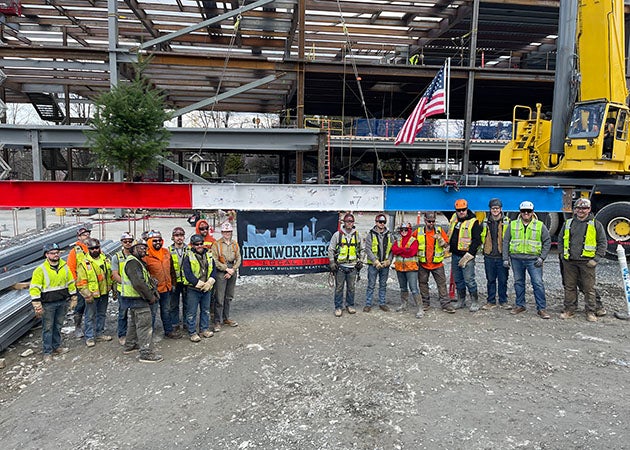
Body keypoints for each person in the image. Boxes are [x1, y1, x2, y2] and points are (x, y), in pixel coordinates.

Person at [559, 198, 607, 322]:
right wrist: (562, 255)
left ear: (589, 209)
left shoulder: (596, 224)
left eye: (584, 208)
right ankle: (569, 310)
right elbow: (560, 240)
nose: (581, 210)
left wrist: (596, 259)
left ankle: (590, 311)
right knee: (569, 287)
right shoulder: (568, 223)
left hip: (587, 263)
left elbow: (602, 243)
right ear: (575, 210)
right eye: (578, 208)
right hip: (569, 262)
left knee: (588, 288)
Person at [502, 201, 551, 319]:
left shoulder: (540, 225)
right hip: (516, 259)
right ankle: (520, 305)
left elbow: (547, 242)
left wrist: (542, 257)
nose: (526, 213)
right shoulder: (513, 224)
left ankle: (541, 308)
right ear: (520, 212)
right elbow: (506, 241)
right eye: (523, 211)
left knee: (538, 283)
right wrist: (505, 258)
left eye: (528, 211)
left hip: (534, 260)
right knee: (518, 282)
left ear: (532, 212)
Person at [29, 243, 77, 363]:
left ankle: (56, 347)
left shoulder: (64, 267)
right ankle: (47, 352)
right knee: (48, 328)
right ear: (46, 255)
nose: (56, 255)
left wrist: (74, 297)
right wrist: (36, 304)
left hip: (62, 302)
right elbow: (34, 288)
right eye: (52, 253)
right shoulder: (40, 270)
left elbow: (70, 282)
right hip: (48, 304)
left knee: (58, 325)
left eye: (57, 252)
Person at [120, 239, 163, 363]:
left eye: (145, 248)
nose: (143, 250)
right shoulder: (133, 263)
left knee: (134, 323)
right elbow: (138, 283)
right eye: (140, 248)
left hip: (133, 299)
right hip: (138, 299)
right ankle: (146, 353)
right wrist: (150, 297)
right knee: (145, 325)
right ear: (133, 250)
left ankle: (130, 345)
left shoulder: (136, 262)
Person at [414, 212, 455, 314]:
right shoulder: (418, 232)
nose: (431, 223)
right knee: (423, 284)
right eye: (429, 221)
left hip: (437, 264)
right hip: (423, 263)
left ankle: (445, 304)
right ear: (425, 220)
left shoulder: (439, 231)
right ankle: (425, 303)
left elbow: (446, 245)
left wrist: (442, 241)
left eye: (433, 221)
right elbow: (411, 243)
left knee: (441, 284)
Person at [76, 238, 113, 347]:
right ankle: (90, 336)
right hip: (92, 294)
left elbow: (110, 275)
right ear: (88, 249)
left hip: (104, 292)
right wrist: (87, 295)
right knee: (90, 315)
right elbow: (81, 282)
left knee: (101, 314)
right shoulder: (84, 263)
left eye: (97, 248)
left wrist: (112, 288)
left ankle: (99, 333)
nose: (95, 250)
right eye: (92, 248)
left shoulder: (105, 259)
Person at [144, 231, 181, 339]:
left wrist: (173, 283)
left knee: (166, 311)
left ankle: (168, 331)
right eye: (154, 241)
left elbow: (172, 270)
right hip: (154, 291)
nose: (158, 243)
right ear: (149, 242)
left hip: (166, 288)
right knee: (152, 313)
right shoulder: (146, 256)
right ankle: (148, 334)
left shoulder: (166, 252)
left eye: (159, 240)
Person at [447, 199, 482, 312]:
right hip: (455, 254)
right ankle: (461, 300)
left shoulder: (473, 222)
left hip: (467, 256)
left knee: (469, 280)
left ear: (467, 209)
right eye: (459, 210)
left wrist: (470, 254)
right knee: (458, 280)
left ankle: (474, 301)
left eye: (463, 210)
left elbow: (477, 240)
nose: (461, 212)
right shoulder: (454, 219)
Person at [328, 213, 363, 317]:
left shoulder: (357, 235)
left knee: (351, 288)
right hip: (340, 267)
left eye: (351, 221)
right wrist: (332, 262)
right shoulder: (337, 235)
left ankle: (350, 305)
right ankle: (338, 307)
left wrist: (361, 260)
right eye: (348, 221)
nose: (349, 223)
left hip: (353, 267)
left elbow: (362, 249)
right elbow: (331, 249)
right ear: (344, 222)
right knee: (339, 288)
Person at [183, 234, 216, 342]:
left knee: (205, 310)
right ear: (193, 245)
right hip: (194, 288)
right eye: (196, 244)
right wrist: (199, 283)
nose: (199, 246)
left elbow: (213, 269)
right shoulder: (188, 256)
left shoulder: (209, 254)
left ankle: (204, 329)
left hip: (207, 288)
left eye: (201, 243)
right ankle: (192, 332)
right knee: (191, 311)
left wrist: (210, 281)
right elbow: (187, 273)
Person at [480, 198, 511, 310]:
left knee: (503, 280)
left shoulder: (507, 222)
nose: (495, 210)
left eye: (497, 208)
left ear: (501, 209)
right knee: (490, 280)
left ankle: (503, 301)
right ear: (490, 209)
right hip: (489, 255)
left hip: (502, 255)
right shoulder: (485, 222)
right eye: (493, 208)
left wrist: (507, 256)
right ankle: (491, 301)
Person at [211, 222, 242, 331]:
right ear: (222, 232)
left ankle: (226, 318)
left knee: (229, 296)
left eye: (229, 231)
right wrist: (226, 269)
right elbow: (214, 259)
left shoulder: (234, 244)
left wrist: (233, 269)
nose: (227, 233)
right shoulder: (217, 244)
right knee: (219, 297)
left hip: (232, 269)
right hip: (221, 271)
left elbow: (238, 258)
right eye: (225, 231)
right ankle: (217, 321)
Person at [363, 213, 393, 312]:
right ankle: (368, 304)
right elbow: (368, 249)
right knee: (371, 285)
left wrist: (389, 260)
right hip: (373, 265)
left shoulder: (389, 235)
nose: (382, 224)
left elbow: (392, 249)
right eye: (380, 222)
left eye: (383, 222)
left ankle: (382, 303)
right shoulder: (370, 235)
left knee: (383, 285)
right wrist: (375, 261)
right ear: (376, 222)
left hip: (385, 264)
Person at [391, 222, 422, 318]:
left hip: (411, 268)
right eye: (402, 230)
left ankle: (420, 309)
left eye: (406, 230)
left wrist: (401, 251)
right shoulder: (398, 240)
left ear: (409, 230)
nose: (403, 232)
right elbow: (394, 250)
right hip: (400, 268)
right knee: (403, 287)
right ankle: (403, 304)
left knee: (414, 288)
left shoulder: (414, 240)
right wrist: (405, 250)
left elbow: (412, 252)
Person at [67, 226, 91, 337]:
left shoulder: (92, 247)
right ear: (79, 237)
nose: (87, 236)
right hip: (81, 285)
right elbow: (71, 268)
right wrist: (76, 284)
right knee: (80, 306)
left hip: (93, 283)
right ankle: (77, 327)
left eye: (88, 234)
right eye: (84, 235)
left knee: (92, 305)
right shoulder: (74, 251)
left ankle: (91, 327)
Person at [111, 232, 134, 345]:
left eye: (130, 241)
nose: (128, 243)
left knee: (135, 313)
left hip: (135, 290)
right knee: (123, 313)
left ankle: (134, 334)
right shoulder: (117, 257)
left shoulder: (136, 255)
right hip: (123, 290)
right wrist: (126, 284)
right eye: (125, 241)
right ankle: (122, 334)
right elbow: (115, 274)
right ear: (122, 242)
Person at [169, 226, 188, 331]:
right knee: (174, 304)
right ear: (173, 237)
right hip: (174, 282)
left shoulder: (189, 249)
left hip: (186, 281)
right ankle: (175, 323)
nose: (179, 238)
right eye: (177, 236)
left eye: (181, 235)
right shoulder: (168, 251)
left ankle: (186, 323)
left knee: (187, 303)